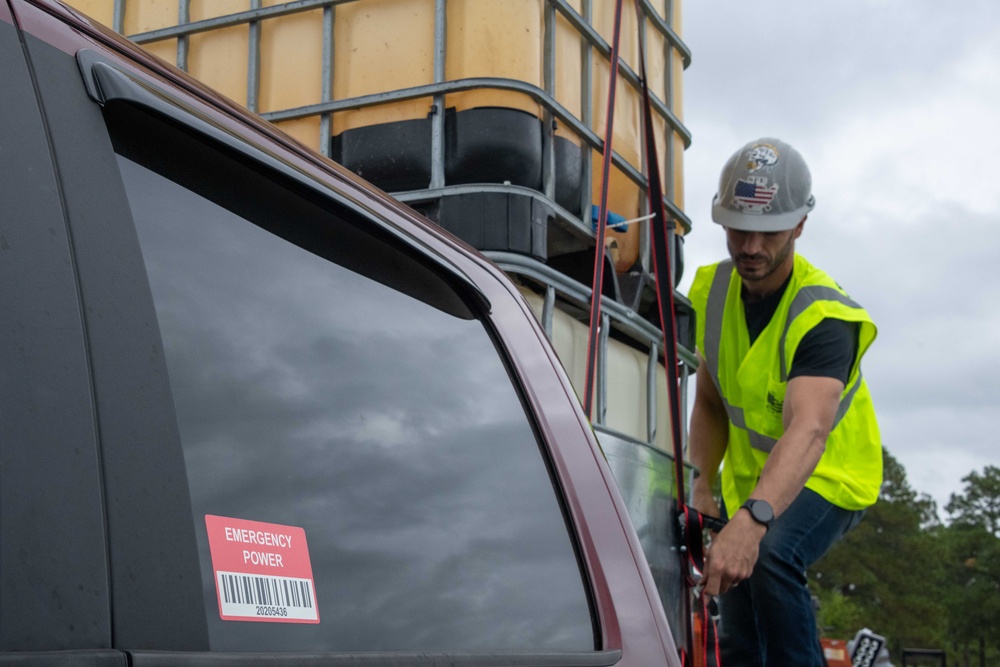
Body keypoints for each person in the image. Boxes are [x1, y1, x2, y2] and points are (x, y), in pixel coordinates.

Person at [687, 138, 882, 666]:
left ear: (799, 226)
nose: (750, 247)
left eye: (768, 232)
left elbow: (809, 431)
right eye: (737, 228)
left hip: (829, 475)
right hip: (756, 482)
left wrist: (751, 520)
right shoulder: (712, 291)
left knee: (769, 553)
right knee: (738, 612)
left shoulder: (825, 317)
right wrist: (702, 484)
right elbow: (709, 400)